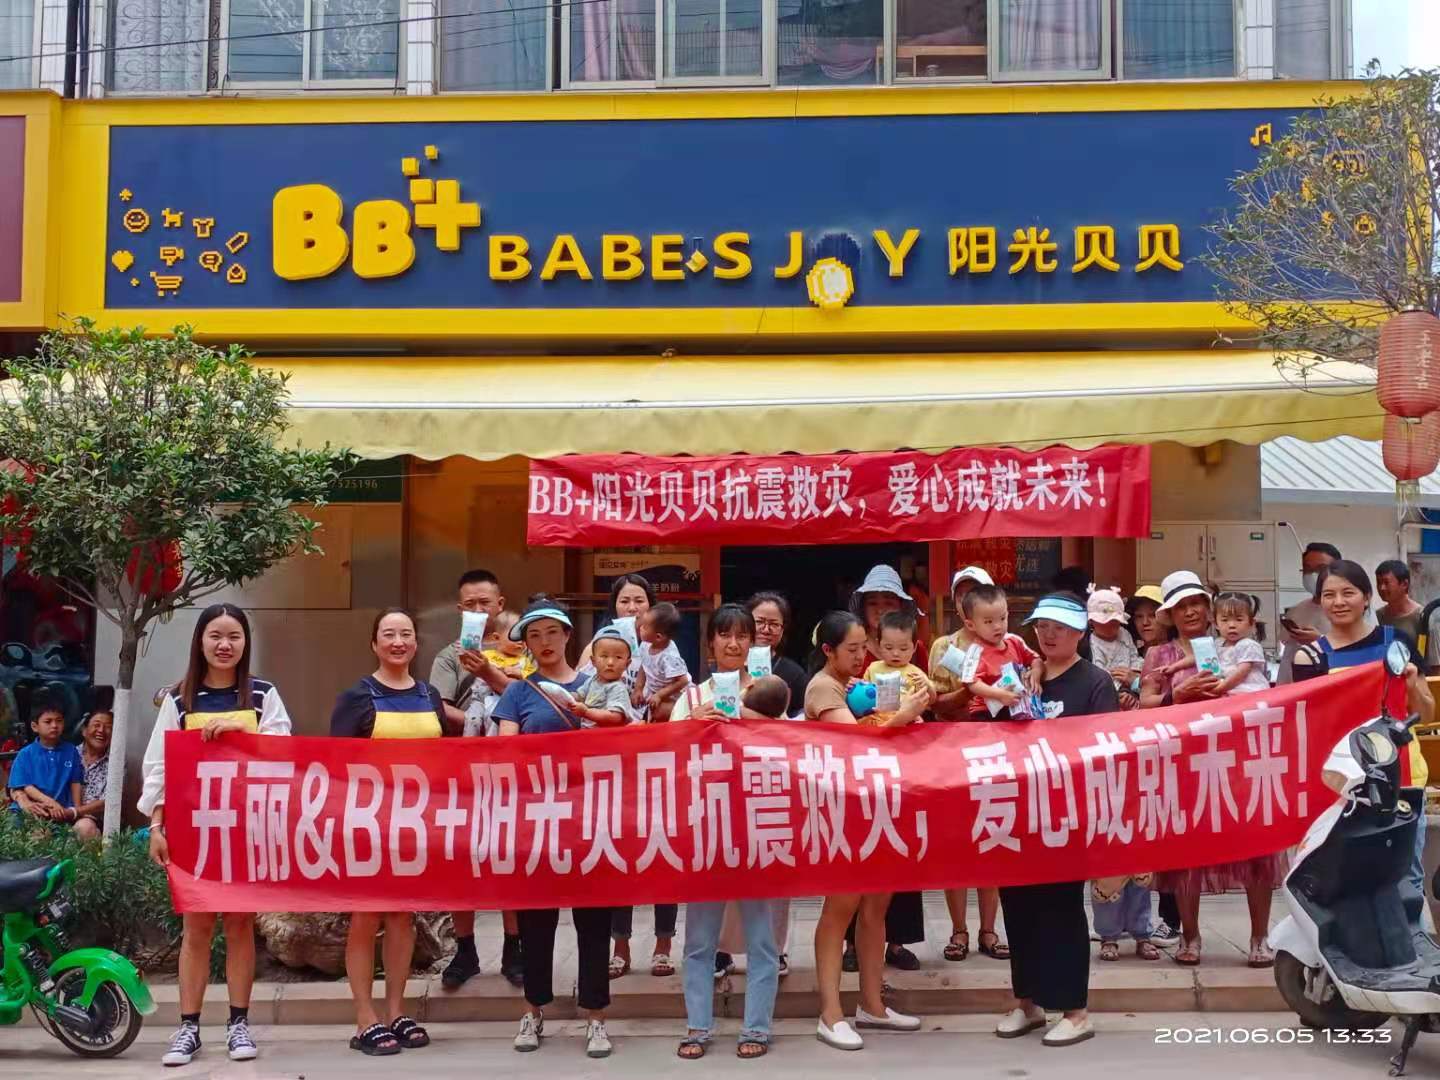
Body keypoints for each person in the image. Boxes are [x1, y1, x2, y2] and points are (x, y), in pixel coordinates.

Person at [141, 603, 292, 1067]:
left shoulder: (263, 695)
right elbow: (159, 767)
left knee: (240, 924)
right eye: (215, 636)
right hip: (193, 830)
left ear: (246, 643)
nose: (225, 645)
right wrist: (156, 826)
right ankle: (188, 1027)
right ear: (200, 642)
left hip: (246, 828)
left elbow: (285, 750)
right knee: (197, 927)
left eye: (234, 636)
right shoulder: (179, 699)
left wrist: (242, 733)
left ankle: (238, 1024)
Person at [493, 599, 614, 1060]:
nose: (544, 642)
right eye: (534, 635)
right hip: (537, 821)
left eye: (551, 632)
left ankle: (596, 1016)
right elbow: (505, 752)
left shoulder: (597, 687)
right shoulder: (517, 693)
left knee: (594, 922)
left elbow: (620, 742)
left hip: (589, 820)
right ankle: (533, 1009)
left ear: (567, 635)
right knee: (536, 922)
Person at [1141, 572, 1279, 968]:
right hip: (1183, 762)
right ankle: (1190, 935)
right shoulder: (1160, 655)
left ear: (1208, 608)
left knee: (1256, 847)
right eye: (1180, 607)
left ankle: (1260, 937)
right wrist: (1175, 696)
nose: (1190, 612)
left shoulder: (1234, 647)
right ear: (1170, 615)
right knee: (1187, 851)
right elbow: (1142, 705)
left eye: (1195, 603)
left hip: (1240, 758)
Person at [997, 592, 1114, 1047]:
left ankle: (1074, 1010)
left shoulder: (1095, 682)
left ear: (1079, 633)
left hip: (1067, 815)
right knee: (1018, 907)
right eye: (1041, 626)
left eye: (1059, 628)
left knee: (1061, 910)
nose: (1047, 634)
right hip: (1019, 810)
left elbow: (1105, 746)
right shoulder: (1022, 677)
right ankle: (1026, 1002)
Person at [330, 608, 447, 1056]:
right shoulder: (357, 697)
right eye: (389, 634)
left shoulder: (430, 695)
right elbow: (336, 767)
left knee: (403, 917)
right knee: (367, 916)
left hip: (416, 825)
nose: (398, 642)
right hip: (368, 823)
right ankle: (365, 1018)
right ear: (374, 643)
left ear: (416, 642)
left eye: (406, 634)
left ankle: (397, 1010)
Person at [806, 610, 925, 1051]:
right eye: (851, 649)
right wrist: (904, 716)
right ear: (828, 650)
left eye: (863, 648)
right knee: (840, 910)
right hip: (841, 811)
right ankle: (830, 1013)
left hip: (876, 808)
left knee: (877, 907)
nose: (861, 656)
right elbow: (858, 742)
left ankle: (872, 1005)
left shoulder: (861, 684)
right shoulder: (823, 687)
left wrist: (913, 707)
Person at [674, 606, 782, 1061]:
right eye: (724, 635)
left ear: (753, 643)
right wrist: (692, 724)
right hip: (705, 827)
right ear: (711, 643)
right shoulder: (691, 695)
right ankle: (698, 1026)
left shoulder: (769, 690)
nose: (733, 644)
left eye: (742, 636)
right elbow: (666, 756)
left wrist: (753, 716)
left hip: (756, 824)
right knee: (699, 940)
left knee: (762, 940)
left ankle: (757, 1026)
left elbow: (788, 748)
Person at [1294, 560, 1435, 895]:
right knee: (1343, 882)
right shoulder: (1310, 658)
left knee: (1406, 880)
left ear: (1367, 597)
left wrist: (1411, 685)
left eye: (1348, 593)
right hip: (1341, 783)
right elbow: (1309, 728)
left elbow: (1427, 713)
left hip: (1400, 777)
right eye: (1329, 595)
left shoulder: (1396, 643)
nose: (1338, 602)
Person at [577, 574, 674, 980]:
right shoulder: (598, 648)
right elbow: (579, 696)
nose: (632, 608)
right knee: (619, 856)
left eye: (639, 601)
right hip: (610, 774)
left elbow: (678, 704)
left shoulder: (664, 649)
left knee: (662, 854)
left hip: (655, 768)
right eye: (625, 601)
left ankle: (664, 945)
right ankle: (620, 947)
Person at [432, 570, 524, 991]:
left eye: (485, 603)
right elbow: (440, 706)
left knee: (510, 857)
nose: (478, 610)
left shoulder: (523, 649)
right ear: (459, 609)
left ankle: (514, 947)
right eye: (469, 604)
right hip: (463, 770)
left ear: (500, 604)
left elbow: (531, 699)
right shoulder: (449, 656)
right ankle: (465, 949)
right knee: (460, 859)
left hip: (511, 770)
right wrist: (476, 723)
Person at [846, 564, 929, 970]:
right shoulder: (853, 647)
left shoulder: (917, 651)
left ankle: (897, 940)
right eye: (873, 602)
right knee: (857, 848)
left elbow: (928, 697)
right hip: (860, 761)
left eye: (888, 602)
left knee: (901, 843)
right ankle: (853, 943)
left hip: (905, 762)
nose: (880, 609)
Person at [928, 566, 1009, 963]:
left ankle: (989, 931)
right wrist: (968, 692)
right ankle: (959, 930)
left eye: (977, 590)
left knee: (993, 838)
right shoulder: (944, 646)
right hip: (953, 751)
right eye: (963, 592)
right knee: (956, 844)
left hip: (996, 751)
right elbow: (934, 703)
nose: (969, 598)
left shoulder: (1009, 642)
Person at [1125, 584, 1180, 945]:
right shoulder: (1139, 652)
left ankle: (1173, 920)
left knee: (1172, 841)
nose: (1145, 622)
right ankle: (1139, 919)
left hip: (1176, 753)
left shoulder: (1177, 653)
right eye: (1139, 616)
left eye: (1152, 615)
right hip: (1146, 755)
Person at [962, 584, 1042, 719]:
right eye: (989, 622)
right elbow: (972, 683)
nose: (998, 626)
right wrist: (999, 695)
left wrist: (1036, 673)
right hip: (986, 711)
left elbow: (1036, 659)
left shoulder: (1015, 641)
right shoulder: (974, 652)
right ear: (971, 625)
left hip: (1018, 705)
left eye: (1003, 618)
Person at [8, 699, 83, 824]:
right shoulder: (26, 753)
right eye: (48, 722)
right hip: (32, 809)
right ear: (34, 726)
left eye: (59, 720)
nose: (54, 725)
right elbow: (26, 786)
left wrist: (77, 810)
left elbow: (75, 782)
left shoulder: (71, 751)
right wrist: (50, 803)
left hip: (60, 811)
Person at [1278, 541, 1341, 683]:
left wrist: (1320, 641)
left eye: (1321, 568)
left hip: (1332, 685)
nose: (1313, 575)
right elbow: (1286, 653)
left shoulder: (1352, 609)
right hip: (1294, 686)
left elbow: (1363, 652)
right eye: (1307, 569)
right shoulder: (1296, 611)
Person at [747, 591, 808, 716]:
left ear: (782, 630)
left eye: (774, 624)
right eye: (759, 622)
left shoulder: (795, 674)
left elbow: (803, 713)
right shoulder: (730, 666)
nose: (766, 630)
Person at [863, 610, 931, 721]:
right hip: (877, 720)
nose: (895, 653)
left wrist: (927, 685)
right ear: (879, 644)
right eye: (888, 648)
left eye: (903, 649)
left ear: (914, 648)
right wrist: (856, 685)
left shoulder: (916, 673)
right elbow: (864, 694)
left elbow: (931, 700)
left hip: (908, 721)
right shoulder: (872, 668)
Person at [634, 601, 690, 723]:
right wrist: (638, 688)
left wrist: (660, 695)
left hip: (675, 694)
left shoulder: (669, 657)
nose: (640, 628)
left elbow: (682, 681)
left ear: (658, 637)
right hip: (655, 690)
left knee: (658, 712)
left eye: (645, 627)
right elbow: (644, 666)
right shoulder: (645, 644)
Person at [1086, 588, 1141, 708]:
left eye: (1114, 621)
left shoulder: (1125, 634)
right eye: (1104, 622)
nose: (1109, 625)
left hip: (1132, 680)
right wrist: (1115, 693)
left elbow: (1133, 655)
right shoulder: (1092, 643)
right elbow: (1098, 671)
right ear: (1091, 622)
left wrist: (1136, 673)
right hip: (1110, 688)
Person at [570, 626, 634, 728]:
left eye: (618, 657)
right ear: (593, 661)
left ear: (627, 664)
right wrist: (566, 696)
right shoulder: (592, 680)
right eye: (604, 656)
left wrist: (586, 712)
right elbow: (580, 696)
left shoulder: (617, 688)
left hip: (606, 736)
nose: (610, 662)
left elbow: (616, 717)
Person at [1214, 592, 1270, 696]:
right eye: (1225, 620)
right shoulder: (1217, 643)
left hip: (1249, 693)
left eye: (1239, 619)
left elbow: (1241, 673)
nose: (1231, 625)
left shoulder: (1248, 645)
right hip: (1228, 692)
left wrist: (1218, 689)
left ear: (1251, 623)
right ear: (1216, 624)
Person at [73, 710, 112, 838]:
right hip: (61, 814)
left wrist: (75, 812)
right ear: (84, 730)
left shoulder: (115, 763)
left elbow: (109, 800)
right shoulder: (70, 754)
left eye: (108, 727)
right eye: (96, 725)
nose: (101, 730)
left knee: (85, 827)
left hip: (94, 821)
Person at [1376, 559, 1426, 645]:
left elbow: (1431, 652)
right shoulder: (1378, 617)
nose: (1382, 588)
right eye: (1379, 583)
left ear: (1404, 584)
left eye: (1386, 582)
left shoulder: (1422, 617)